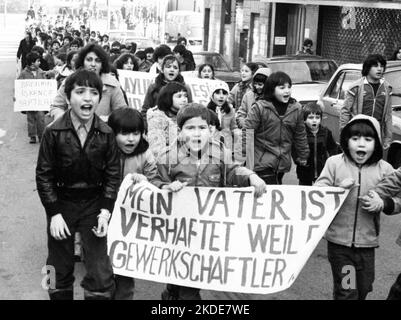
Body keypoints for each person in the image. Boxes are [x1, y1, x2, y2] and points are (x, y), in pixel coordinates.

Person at [151, 103, 266, 300]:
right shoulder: (167, 157)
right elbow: (155, 182)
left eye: (202, 128)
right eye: (190, 128)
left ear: (211, 130)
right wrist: (165, 187)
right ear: (179, 131)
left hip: (209, 231)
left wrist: (251, 176)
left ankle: (172, 292)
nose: (197, 133)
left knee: (195, 276)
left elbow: (232, 171)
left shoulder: (220, 152)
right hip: (180, 231)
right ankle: (174, 292)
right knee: (186, 283)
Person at [36, 69, 120, 300]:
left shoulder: (107, 133)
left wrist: (105, 212)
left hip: (94, 205)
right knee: (56, 265)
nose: (87, 98)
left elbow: (113, 174)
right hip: (62, 204)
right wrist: (54, 213)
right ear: (68, 96)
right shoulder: (53, 132)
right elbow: (44, 175)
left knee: (100, 270)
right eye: (80, 91)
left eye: (94, 93)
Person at [314, 114, 394, 300]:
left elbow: (398, 198)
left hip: (367, 244)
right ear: (346, 140)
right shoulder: (334, 163)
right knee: (347, 292)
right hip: (340, 245)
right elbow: (317, 193)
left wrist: (383, 203)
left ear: (377, 143)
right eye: (355, 138)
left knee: (364, 288)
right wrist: (337, 189)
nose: (361, 144)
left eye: (368, 139)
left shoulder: (385, 170)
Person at [107, 108, 157, 300]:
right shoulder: (103, 151)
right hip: (104, 216)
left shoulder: (145, 155)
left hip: (130, 223)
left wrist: (145, 181)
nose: (131, 139)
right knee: (102, 274)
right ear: (112, 133)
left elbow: (155, 182)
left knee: (125, 272)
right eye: (124, 133)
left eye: (136, 133)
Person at [244, 71, 309, 183]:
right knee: (269, 190)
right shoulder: (259, 108)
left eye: (289, 87)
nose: (287, 91)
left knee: (275, 190)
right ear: (271, 89)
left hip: (282, 161)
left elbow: (300, 135)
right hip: (261, 161)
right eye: (282, 87)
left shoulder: (296, 108)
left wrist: (303, 155)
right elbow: (247, 133)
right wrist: (244, 158)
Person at [51, 43, 128, 122]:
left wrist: (105, 120)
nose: (93, 64)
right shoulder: (70, 81)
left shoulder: (112, 84)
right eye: (89, 60)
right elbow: (56, 106)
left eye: (97, 61)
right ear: (82, 62)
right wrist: (65, 121)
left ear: (102, 64)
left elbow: (122, 113)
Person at [340, 54, 392, 149]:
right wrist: (344, 134)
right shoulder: (356, 87)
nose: (379, 69)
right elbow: (345, 111)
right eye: (375, 66)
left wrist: (388, 138)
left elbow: (388, 115)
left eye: (382, 66)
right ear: (368, 68)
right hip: (358, 130)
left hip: (377, 132)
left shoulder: (387, 88)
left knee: (374, 161)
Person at [141, 55, 192, 128]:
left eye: (175, 67)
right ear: (162, 69)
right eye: (168, 67)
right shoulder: (153, 87)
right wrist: (147, 128)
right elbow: (145, 110)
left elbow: (190, 110)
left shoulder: (185, 88)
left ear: (179, 71)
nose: (172, 70)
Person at [296, 102, 338, 185]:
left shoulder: (326, 132)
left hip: (322, 169)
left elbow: (333, 148)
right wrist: (298, 159)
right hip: (305, 170)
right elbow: (294, 148)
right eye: (311, 117)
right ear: (304, 120)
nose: (314, 120)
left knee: (321, 191)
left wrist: (333, 161)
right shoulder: (301, 134)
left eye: (317, 117)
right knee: (305, 191)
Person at [147, 82, 189, 159]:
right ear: (168, 98)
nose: (184, 99)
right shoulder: (156, 119)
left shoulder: (187, 117)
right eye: (179, 96)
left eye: (185, 96)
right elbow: (156, 150)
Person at [18, 52, 47, 144]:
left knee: (41, 119)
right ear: (32, 62)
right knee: (31, 119)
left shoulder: (41, 72)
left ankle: (41, 135)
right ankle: (32, 136)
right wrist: (17, 96)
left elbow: (45, 84)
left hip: (39, 101)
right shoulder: (23, 73)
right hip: (29, 101)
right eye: (38, 61)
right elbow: (19, 85)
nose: (40, 63)